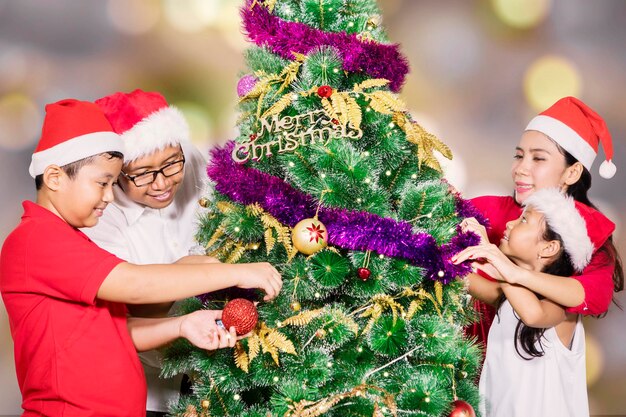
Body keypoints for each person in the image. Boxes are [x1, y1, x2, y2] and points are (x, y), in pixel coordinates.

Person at [0, 98, 282, 417]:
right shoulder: (35, 240)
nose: (110, 196)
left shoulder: (72, 241)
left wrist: (182, 325)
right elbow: (133, 283)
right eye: (102, 184)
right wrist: (236, 273)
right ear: (54, 178)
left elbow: (118, 330)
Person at [80, 89, 210, 416]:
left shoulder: (192, 161)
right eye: (142, 174)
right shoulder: (100, 216)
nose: (161, 183)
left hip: (222, 367)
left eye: (170, 165)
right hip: (147, 388)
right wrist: (194, 269)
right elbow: (132, 306)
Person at [465, 96, 624, 346]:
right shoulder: (488, 209)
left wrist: (512, 273)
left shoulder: (586, 238)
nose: (520, 169)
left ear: (572, 172)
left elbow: (595, 295)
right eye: (519, 156)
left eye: (538, 159)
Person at [453, 187, 615, 416]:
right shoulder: (509, 294)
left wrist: (499, 261)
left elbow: (534, 314)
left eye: (523, 220)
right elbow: (468, 280)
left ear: (549, 248)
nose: (510, 223)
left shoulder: (560, 307)